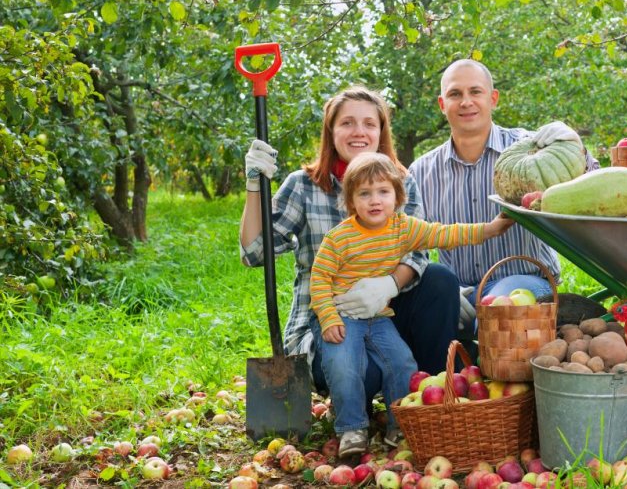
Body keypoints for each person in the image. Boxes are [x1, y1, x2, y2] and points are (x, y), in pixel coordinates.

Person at [239, 86, 461, 412]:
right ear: (331, 132)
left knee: (440, 280)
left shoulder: (400, 182)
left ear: (381, 132)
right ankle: (359, 405)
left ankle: (429, 403)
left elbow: (416, 253)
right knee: (362, 373)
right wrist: (253, 186)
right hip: (330, 328)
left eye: (369, 124)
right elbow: (254, 253)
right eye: (347, 123)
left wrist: (389, 285)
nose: (359, 132)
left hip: (386, 318)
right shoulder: (303, 186)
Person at [310, 151, 513, 456]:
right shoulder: (340, 238)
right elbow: (320, 278)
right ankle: (351, 427)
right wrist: (328, 318)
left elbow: (446, 234)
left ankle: (400, 425)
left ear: (398, 196)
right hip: (342, 315)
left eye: (383, 192)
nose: (374, 200)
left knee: (402, 363)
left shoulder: (403, 228)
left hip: (379, 316)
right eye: (364, 194)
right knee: (344, 364)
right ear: (351, 201)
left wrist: (491, 229)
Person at [409, 59, 599, 331]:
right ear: (442, 104)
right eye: (455, 94)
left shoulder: (530, 150)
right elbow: (412, 241)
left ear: (493, 98)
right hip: (459, 291)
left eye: (475, 92)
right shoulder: (422, 170)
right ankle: (449, 372)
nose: (466, 102)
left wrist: (574, 144)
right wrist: (441, 291)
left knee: (495, 314)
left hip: (524, 281)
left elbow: (590, 181)